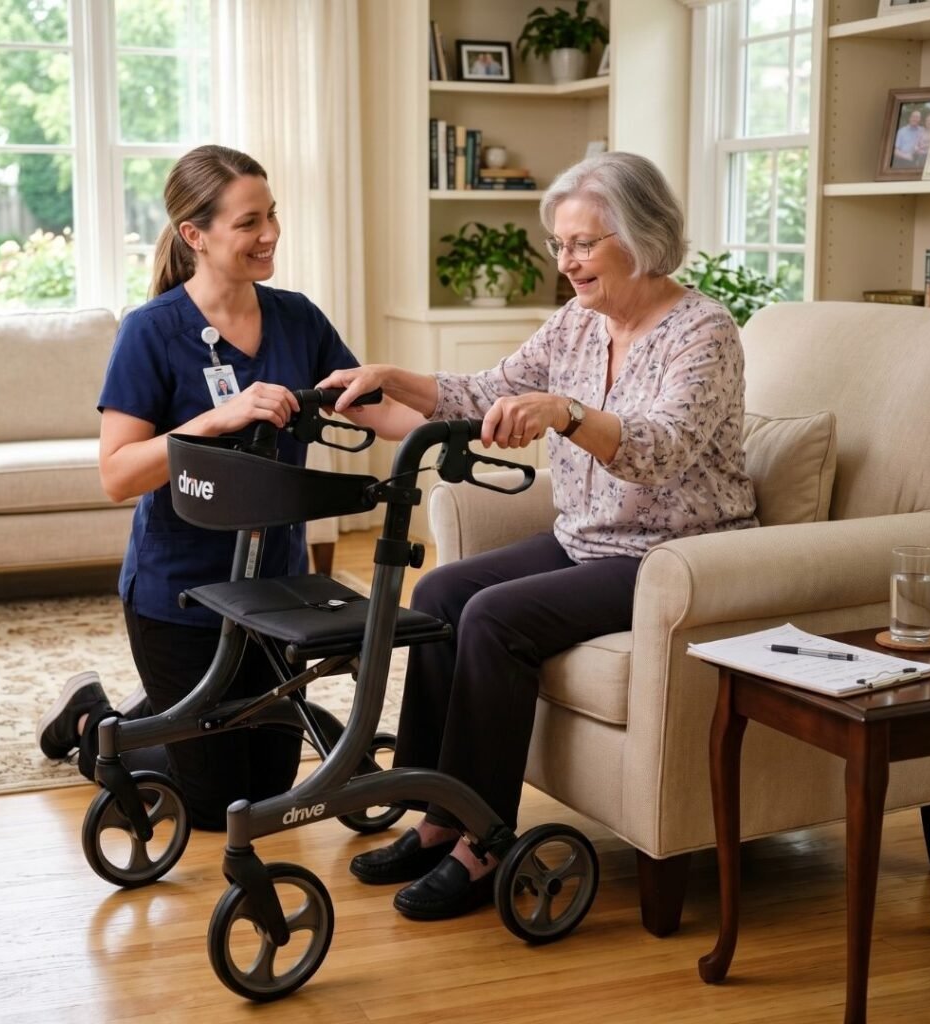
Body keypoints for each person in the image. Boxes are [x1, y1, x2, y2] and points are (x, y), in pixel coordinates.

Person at [319, 151, 758, 921]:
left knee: (495, 617)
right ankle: (437, 812)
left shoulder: (705, 332)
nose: (568, 261)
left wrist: (566, 413)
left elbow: (660, 449)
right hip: (588, 538)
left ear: (643, 235)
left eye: (584, 243)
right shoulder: (577, 324)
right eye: (561, 244)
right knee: (443, 591)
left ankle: (483, 843)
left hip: (673, 556)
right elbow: (488, 391)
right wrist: (393, 377)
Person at [35, 144, 419, 830]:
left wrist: (475, 418)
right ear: (195, 235)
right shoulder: (150, 332)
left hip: (273, 596)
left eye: (271, 215)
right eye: (248, 223)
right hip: (178, 597)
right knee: (213, 809)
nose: (269, 234)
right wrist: (215, 420)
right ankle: (95, 719)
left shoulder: (298, 317)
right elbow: (117, 473)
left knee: (265, 795)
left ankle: (163, 715)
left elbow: (384, 414)